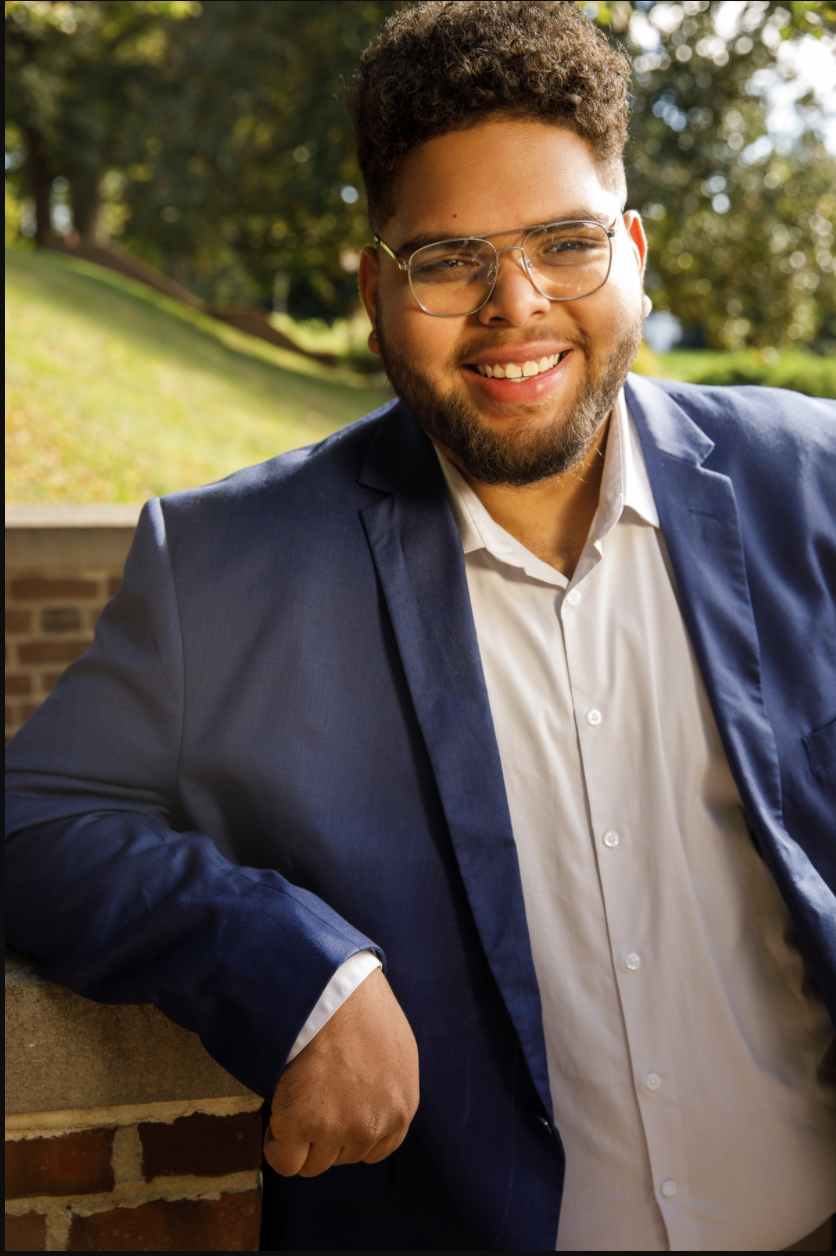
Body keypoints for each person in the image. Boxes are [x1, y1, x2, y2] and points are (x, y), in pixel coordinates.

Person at [5, 2, 835, 1251]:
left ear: (634, 248)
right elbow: (27, 817)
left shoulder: (812, 483)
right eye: (448, 258)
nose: (515, 304)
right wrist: (296, 967)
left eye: (565, 242)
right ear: (374, 287)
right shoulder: (224, 568)